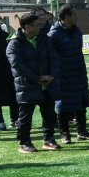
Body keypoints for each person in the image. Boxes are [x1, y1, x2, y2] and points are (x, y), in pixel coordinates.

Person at [7, 11, 60, 153]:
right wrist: (37, 79)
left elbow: (54, 58)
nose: (40, 27)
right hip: (27, 86)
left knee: (49, 114)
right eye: (37, 25)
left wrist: (52, 77)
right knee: (25, 118)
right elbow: (18, 66)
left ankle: (49, 139)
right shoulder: (14, 43)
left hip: (47, 85)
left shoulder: (44, 39)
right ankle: (25, 143)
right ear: (27, 27)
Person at [47, 6, 89, 142]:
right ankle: (65, 134)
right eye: (75, 14)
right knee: (63, 105)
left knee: (81, 103)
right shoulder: (54, 34)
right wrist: (57, 73)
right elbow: (51, 57)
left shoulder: (77, 32)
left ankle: (82, 132)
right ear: (67, 17)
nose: (77, 17)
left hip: (78, 74)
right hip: (63, 76)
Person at [0, 14, 18, 132]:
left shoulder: (5, 36)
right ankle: (0, 122)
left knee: (14, 95)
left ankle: (14, 119)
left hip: (8, 71)